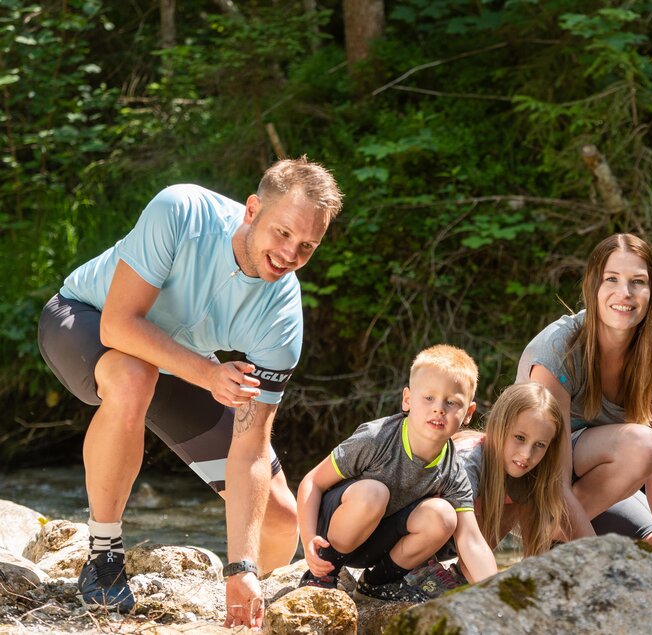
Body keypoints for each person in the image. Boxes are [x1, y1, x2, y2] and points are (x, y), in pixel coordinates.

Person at [37, 157, 343, 627]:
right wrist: (207, 374)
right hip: (86, 322)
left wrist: (242, 566)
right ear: (253, 209)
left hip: (178, 363)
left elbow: (251, 448)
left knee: (280, 518)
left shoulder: (283, 316)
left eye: (307, 246)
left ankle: (252, 607)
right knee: (135, 375)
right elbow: (121, 324)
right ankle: (103, 555)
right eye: (282, 233)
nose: (289, 254)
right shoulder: (182, 210)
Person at [517, 233, 652, 604]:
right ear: (592, 285)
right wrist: (595, 559)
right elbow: (553, 481)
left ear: (651, 292)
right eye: (612, 279)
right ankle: (549, 541)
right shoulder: (557, 350)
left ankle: (563, 542)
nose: (625, 293)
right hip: (540, 487)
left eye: (637, 282)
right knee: (640, 443)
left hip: (600, 491)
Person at [296, 344, 497, 601]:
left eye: (452, 402)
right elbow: (312, 481)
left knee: (444, 516)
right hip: (336, 532)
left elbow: (471, 540)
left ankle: (377, 582)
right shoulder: (376, 439)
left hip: (379, 544)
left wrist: (499, 599)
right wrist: (308, 539)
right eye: (428, 398)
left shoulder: (453, 469)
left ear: (468, 413)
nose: (439, 409)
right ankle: (324, 572)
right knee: (374, 492)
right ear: (407, 399)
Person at [405, 381, 568, 596]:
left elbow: (542, 543)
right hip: (410, 532)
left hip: (455, 540)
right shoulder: (467, 460)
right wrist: (496, 595)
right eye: (519, 438)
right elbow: (468, 539)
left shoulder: (528, 473)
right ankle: (416, 569)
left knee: (514, 499)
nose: (526, 455)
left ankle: (462, 577)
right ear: (499, 427)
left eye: (540, 445)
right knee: (442, 512)